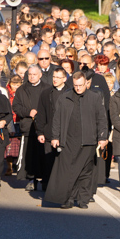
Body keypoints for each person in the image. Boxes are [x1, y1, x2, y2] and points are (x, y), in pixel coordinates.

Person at [44, 72, 108, 209]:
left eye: (80, 85)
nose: (78, 88)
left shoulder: (95, 98)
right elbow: (57, 119)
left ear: (86, 84)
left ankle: (83, 200)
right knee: (69, 172)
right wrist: (55, 137)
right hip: (68, 140)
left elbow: (102, 119)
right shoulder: (65, 97)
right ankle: (68, 199)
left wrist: (103, 137)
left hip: (88, 140)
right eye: (75, 85)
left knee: (86, 172)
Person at [12, 65, 47, 191]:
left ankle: (44, 180)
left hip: (43, 128)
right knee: (30, 155)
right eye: (30, 74)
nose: (32, 77)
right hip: (28, 126)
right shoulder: (22, 89)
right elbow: (16, 106)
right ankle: (31, 180)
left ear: (40, 75)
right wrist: (28, 112)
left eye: (34, 74)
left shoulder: (47, 88)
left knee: (43, 155)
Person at [34, 69, 70, 189]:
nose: (55, 79)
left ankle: (62, 186)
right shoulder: (46, 93)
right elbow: (41, 114)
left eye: (58, 77)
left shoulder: (70, 92)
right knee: (48, 160)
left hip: (66, 134)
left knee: (63, 161)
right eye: (54, 76)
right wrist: (40, 132)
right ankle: (47, 185)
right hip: (49, 133)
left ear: (64, 79)